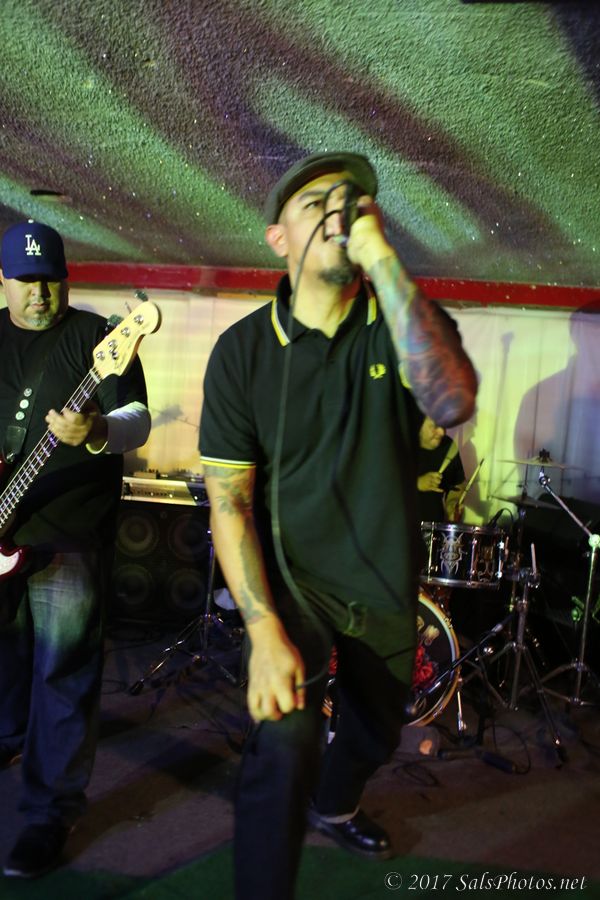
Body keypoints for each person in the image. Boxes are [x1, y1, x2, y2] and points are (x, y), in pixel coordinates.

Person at [199, 152, 477, 900]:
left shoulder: (400, 322)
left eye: (350, 199)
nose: (338, 209)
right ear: (277, 238)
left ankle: (338, 802)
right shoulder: (243, 352)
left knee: (376, 731)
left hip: (383, 585)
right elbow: (229, 501)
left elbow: (451, 402)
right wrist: (262, 630)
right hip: (294, 586)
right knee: (284, 736)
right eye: (314, 201)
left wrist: (382, 259)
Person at [0, 222, 151, 878]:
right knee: (6, 663)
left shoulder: (100, 339)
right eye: (26, 282)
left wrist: (96, 430)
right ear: (3, 281)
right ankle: (9, 742)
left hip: (68, 537)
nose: (40, 294)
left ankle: (49, 811)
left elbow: (138, 420)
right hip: (4, 529)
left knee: (63, 673)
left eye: (51, 281)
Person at [417, 415, 466, 523]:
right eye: (435, 426)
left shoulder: (448, 446)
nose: (442, 432)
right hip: (400, 527)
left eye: (444, 426)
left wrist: (452, 504)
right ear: (418, 424)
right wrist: (418, 483)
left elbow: (456, 485)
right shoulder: (398, 444)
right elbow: (382, 485)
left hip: (434, 526)